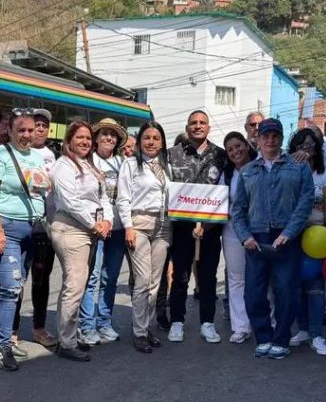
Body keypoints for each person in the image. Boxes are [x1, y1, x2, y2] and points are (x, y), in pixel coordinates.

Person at [230, 118, 315, 358]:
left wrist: (289, 232)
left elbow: (306, 201)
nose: (270, 140)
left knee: (286, 290)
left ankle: (281, 339)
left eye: (275, 135)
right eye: (265, 136)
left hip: (286, 236)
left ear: (281, 138)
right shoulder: (248, 171)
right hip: (255, 238)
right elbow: (238, 210)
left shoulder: (298, 167)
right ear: (257, 139)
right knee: (254, 292)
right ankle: (263, 337)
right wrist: (245, 237)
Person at [0, 109, 51, 371]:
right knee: (10, 288)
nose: (27, 135)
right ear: (9, 131)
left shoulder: (36, 157)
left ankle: (2, 341)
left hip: (31, 231)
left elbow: (40, 190)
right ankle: (2, 346)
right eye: (21, 130)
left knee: (16, 287)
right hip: (6, 229)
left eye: (31, 130)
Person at [50, 122, 111, 361]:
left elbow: (103, 197)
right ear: (69, 140)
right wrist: (94, 223)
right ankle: (67, 343)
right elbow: (70, 201)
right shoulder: (63, 165)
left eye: (88, 138)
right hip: (71, 229)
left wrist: (106, 221)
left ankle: (70, 336)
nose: (85, 141)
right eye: (79, 137)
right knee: (74, 286)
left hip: (90, 229)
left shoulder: (90, 164)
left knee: (77, 285)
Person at [165, 110, 228, 343]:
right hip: (182, 228)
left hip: (210, 230)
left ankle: (207, 323)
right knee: (180, 276)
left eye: (202, 123)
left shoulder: (221, 155)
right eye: (194, 123)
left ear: (208, 128)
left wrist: (208, 224)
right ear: (187, 128)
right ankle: (177, 321)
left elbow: (225, 190)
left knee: (208, 277)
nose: (198, 126)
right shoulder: (173, 154)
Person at [117, 121, 172, 353]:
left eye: (156, 138)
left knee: (155, 282)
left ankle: (146, 328)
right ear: (139, 141)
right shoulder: (130, 164)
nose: (151, 142)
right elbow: (123, 198)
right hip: (138, 224)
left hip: (164, 226)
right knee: (142, 280)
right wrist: (128, 227)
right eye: (147, 137)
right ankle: (139, 332)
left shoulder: (167, 165)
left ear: (162, 142)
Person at [78, 118, 130, 345]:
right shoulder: (87, 161)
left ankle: (105, 322)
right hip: (96, 228)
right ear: (96, 138)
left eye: (113, 135)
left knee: (110, 278)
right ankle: (87, 326)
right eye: (105, 134)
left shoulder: (123, 163)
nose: (109, 138)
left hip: (118, 228)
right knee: (92, 278)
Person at [12, 108, 58, 349]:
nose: (39, 130)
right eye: (35, 125)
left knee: (41, 278)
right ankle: (12, 329)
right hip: (18, 223)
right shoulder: (14, 153)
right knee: (16, 279)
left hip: (44, 226)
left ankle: (39, 327)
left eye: (43, 126)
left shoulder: (53, 157)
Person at [287, 128, 326, 356]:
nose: (306, 149)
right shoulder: (288, 171)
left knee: (316, 288)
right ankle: (304, 330)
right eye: (301, 145)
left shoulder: (325, 176)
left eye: (311, 144)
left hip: (317, 236)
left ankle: (317, 334)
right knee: (296, 286)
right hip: (292, 234)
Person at [220, 131, 255, 344]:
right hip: (232, 231)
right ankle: (241, 326)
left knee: (264, 277)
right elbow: (217, 201)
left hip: (260, 230)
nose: (235, 151)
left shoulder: (261, 166)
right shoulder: (226, 174)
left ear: (246, 145)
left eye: (238, 146)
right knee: (236, 279)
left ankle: (267, 322)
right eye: (230, 149)